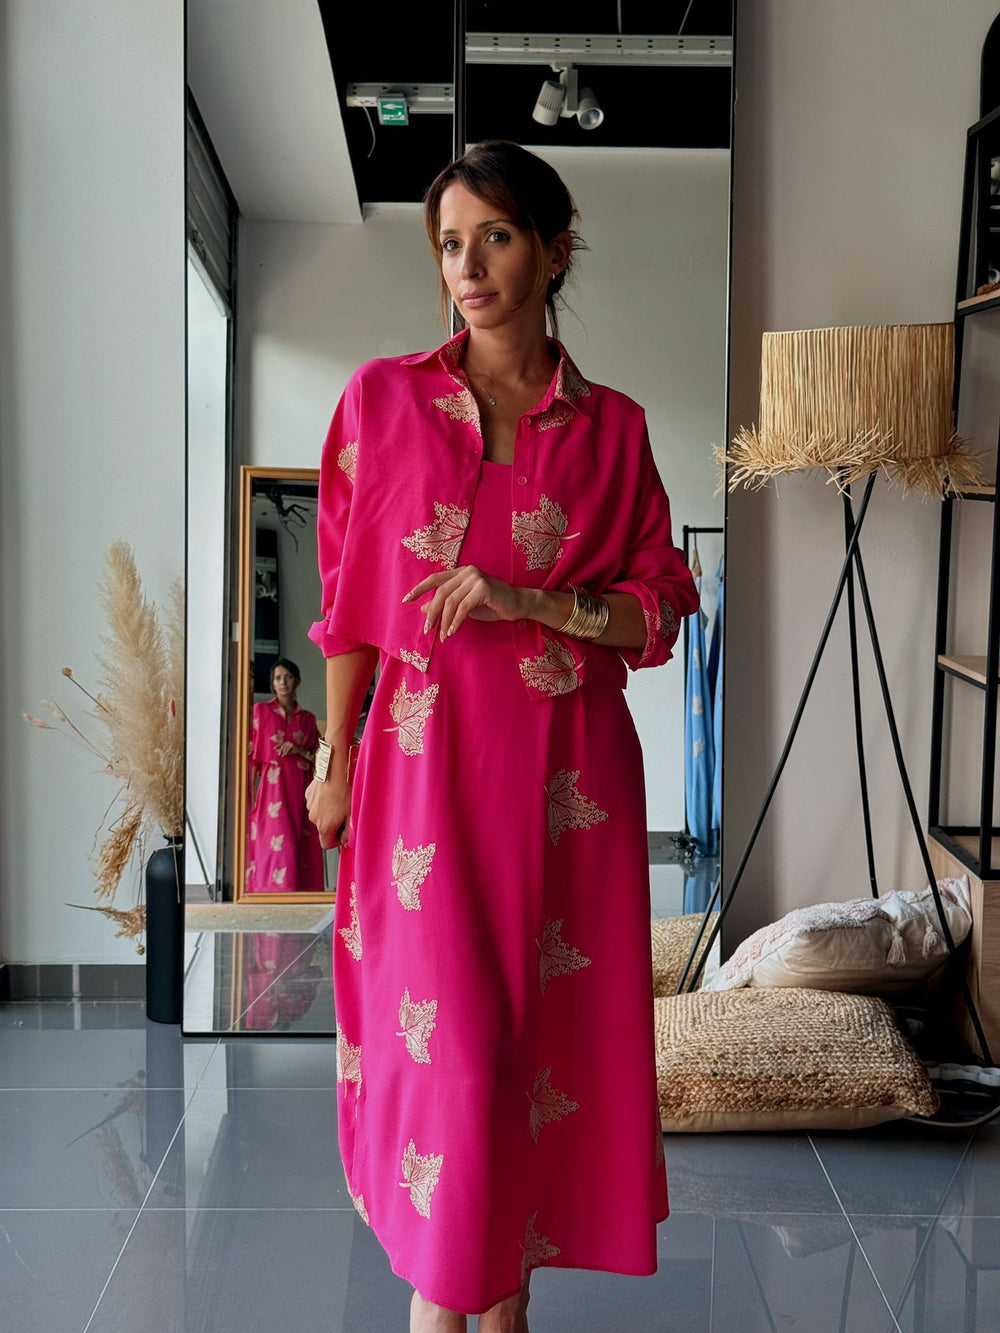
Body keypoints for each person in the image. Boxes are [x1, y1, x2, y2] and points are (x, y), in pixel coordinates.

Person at [306, 140, 699, 1332]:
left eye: (494, 237)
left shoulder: (616, 432)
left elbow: (658, 611)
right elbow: (348, 604)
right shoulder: (380, 403)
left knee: (528, 1063)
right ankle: (454, 1306)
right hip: (424, 784)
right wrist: (332, 757)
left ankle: (502, 1308)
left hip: (566, 788)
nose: (465, 267)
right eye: (447, 243)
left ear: (553, 249)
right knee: (460, 1065)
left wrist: (531, 600)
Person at [246, 658, 324, 893]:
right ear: (272, 683)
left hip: (301, 789)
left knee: (302, 846)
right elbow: (251, 758)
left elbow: (320, 759)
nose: (283, 682)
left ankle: (302, 900)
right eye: (278, 678)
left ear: (296, 681)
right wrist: (249, 797)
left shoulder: (307, 719)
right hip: (273, 794)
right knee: (281, 846)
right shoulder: (261, 712)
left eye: (287, 677)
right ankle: (276, 898)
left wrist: (298, 749)